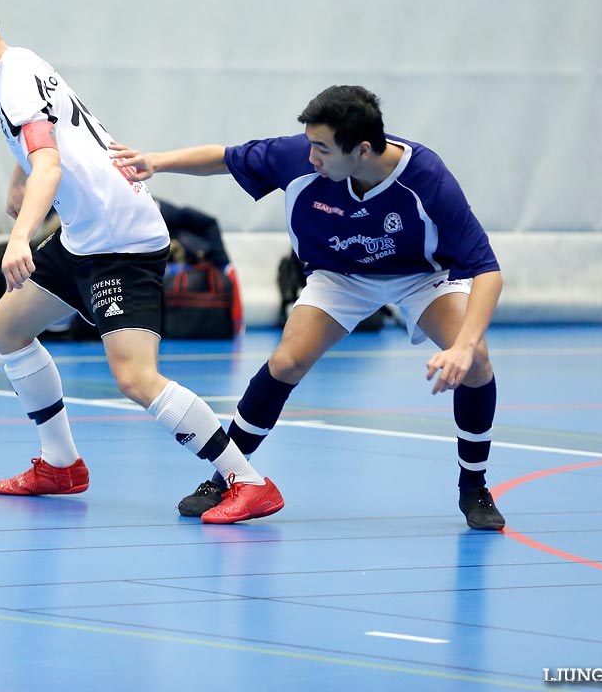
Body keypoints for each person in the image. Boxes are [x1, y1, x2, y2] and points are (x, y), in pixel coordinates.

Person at [0, 0, 282, 524]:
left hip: (122, 241)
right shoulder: (18, 64)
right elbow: (47, 140)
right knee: (7, 326)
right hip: (87, 236)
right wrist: (19, 176)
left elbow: (50, 163)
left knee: (135, 377)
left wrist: (18, 237)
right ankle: (60, 464)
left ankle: (247, 480)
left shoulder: (11, 80)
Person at [111, 84, 508, 530]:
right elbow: (225, 157)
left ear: (361, 150)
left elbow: (486, 269)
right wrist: (157, 162)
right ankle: (228, 475)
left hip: (420, 277)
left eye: (321, 147)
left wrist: (464, 345)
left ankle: (473, 487)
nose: (311, 156)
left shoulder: (427, 177)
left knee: (477, 364)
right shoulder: (296, 157)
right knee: (286, 361)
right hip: (339, 277)